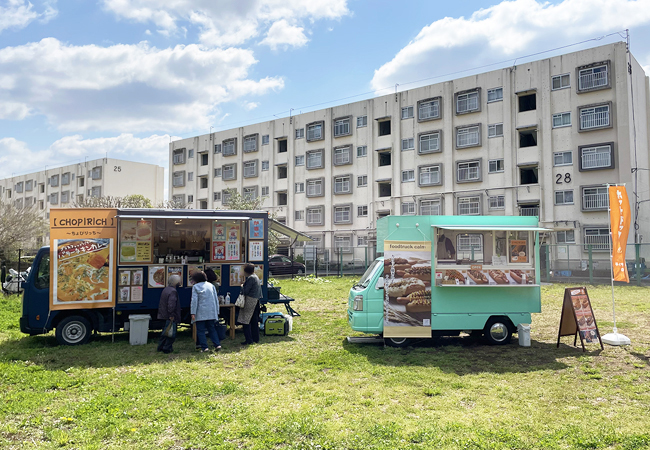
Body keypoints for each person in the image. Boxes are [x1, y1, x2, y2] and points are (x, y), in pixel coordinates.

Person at [191, 270, 221, 352]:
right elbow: (215, 299)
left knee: (200, 330)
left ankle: (205, 347)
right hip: (211, 311)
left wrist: (193, 312)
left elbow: (194, 301)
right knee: (212, 329)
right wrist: (217, 311)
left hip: (200, 311)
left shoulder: (196, 287)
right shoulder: (211, 286)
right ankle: (217, 345)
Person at [238, 263, 262, 345]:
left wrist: (242, 286)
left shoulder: (250, 278)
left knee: (246, 320)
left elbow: (246, 291)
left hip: (250, 300)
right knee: (254, 320)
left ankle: (249, 340)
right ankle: (256, 338)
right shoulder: (255, 277)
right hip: (256, 300)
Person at [157, 274, 181, 354]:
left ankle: (160, 347)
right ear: (175, 282)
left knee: (165, 332)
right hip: (169, 315)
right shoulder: (173, 291)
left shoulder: (166, 289)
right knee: (171, 333)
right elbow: (171, 304)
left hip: (163, 314)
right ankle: (167, 348)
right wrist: (172, 315)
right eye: (179, 281)